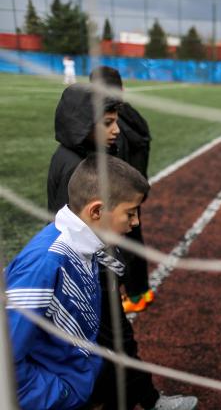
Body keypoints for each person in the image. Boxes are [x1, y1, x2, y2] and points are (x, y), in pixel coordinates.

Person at [47, 84, 198, 410]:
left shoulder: (75, 155)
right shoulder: (79, 167)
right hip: (89, 274)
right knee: (119, 342)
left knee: (104, 346)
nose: (116, 130)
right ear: (81, 123)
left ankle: (133, 397)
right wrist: (108, 274)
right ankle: (150, 401)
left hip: (86, 271)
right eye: (108, 123)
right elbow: (86, 230)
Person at [5, 154, 149, 409]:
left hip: (79, 378)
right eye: (130, 213)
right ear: (96, 210)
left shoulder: (85, 245)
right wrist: (61, 394)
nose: (135, 222)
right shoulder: (45, 264)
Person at [89, 66, 154, 314]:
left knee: (120, 245)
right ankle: (142, 291)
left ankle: (134, 293)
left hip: (121, 194)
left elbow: (117, 161)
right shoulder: (132, 115)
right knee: (134, 240)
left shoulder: (115, 124)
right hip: (135, 189)